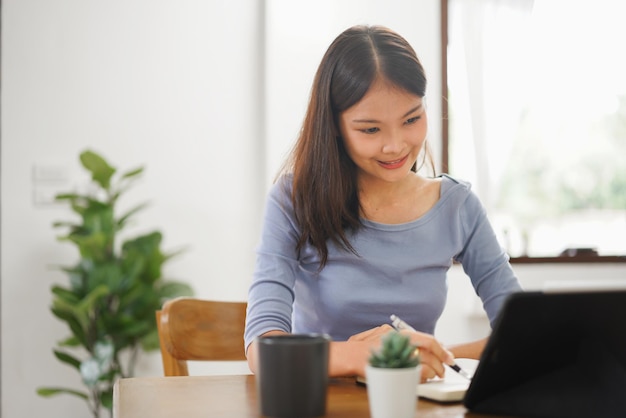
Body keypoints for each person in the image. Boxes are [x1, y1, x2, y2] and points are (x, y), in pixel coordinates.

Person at [244, 25, 521, 381]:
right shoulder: (293, 200)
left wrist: (411, 357)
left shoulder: (457, 205)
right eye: (370, 129)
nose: (395, 146)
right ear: (334, 127)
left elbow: (518, 328)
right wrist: (357, 355)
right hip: (322, 403)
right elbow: (264, 351)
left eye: (411, 119)